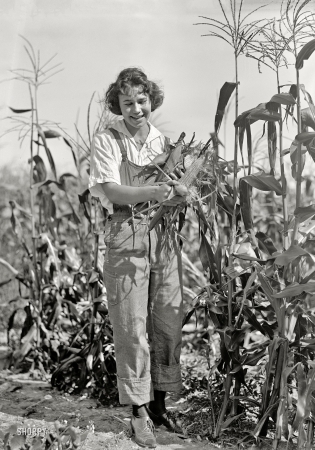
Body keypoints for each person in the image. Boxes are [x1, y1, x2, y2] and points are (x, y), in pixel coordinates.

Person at [89, 67, 186, 448]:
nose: (136, 109)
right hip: (126, 232)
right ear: (118, 104)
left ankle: (160, 402)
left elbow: (170, 190)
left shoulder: (162, 140)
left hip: (163, 233)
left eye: (141, 101)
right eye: (127, 103)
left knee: (167, 318)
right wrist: (159, 191)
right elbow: (113, 192)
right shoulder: (108, 140)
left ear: (151, 100)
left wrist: (181, 191)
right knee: (131, 324)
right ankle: (138, 411)